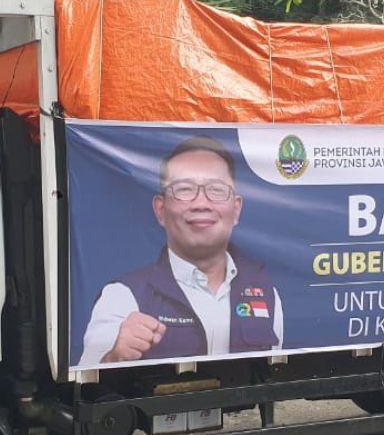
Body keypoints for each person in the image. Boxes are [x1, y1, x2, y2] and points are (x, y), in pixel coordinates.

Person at [79, 136, 283, 365]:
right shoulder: (123, 296)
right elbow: (86, 385)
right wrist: (114, 355)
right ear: (160, 209)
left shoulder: (265, 293)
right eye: (184, 189)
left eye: (216, 189)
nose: (201, 203)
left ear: (236, 210)